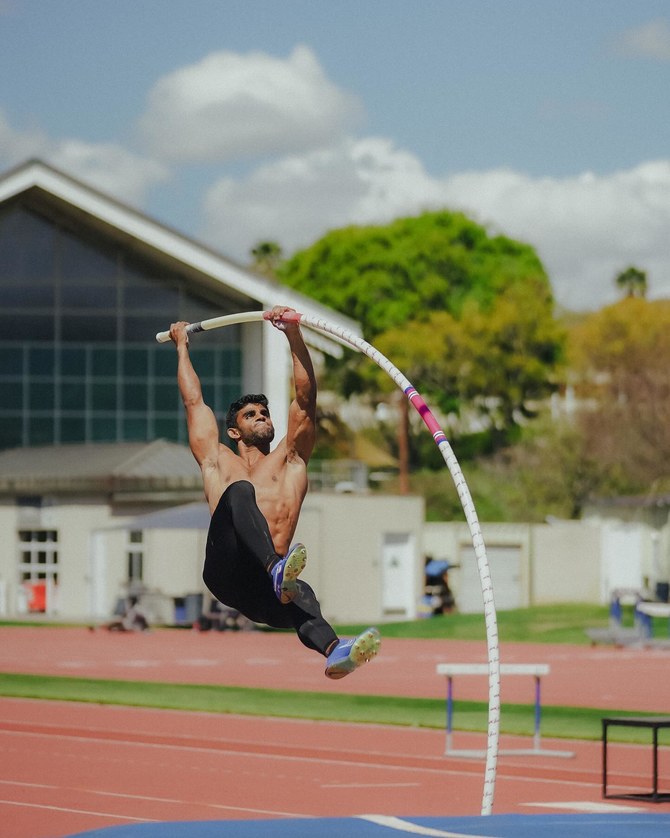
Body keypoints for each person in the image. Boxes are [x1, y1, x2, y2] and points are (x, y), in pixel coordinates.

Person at [169, 305, 380, 679]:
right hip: (226, 570)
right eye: (251, 415)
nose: (262, 417)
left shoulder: (291, 459)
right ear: (233, 432)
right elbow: (193, 403)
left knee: (303, 595)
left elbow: (306, 400)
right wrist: (182, 346)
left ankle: (334, 652)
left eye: (265, 412)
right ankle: (276, 568)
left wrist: (292, 334)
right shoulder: (218, 462)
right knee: (238, 493)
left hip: (261, 589)